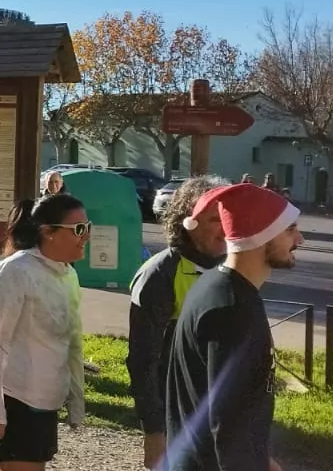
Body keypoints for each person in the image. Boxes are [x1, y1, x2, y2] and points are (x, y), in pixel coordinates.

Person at [166, 184, 301, 471]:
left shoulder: (218, 286)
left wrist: (261, 458)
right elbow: (229, 419)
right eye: (290, 229)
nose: (299, 239)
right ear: (262, 235)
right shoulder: (232, 307)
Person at [0, 194, 90, 470]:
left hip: (46, 401)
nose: (85, 236)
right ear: (47, 232)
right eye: (77, 229)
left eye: (88, 227)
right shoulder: (15, 271)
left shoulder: (69, 275)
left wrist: (77, 400)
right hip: (14, 400)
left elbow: (73, 343)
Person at [128, 175, 230, 468]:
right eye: (214, 219)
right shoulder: (160, 275)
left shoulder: (232, 268)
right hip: (179, 421)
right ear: (188, 221)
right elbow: (142, 361)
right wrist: (154, 431)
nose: (225, 227)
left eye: (227, 216)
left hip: (222, 419)